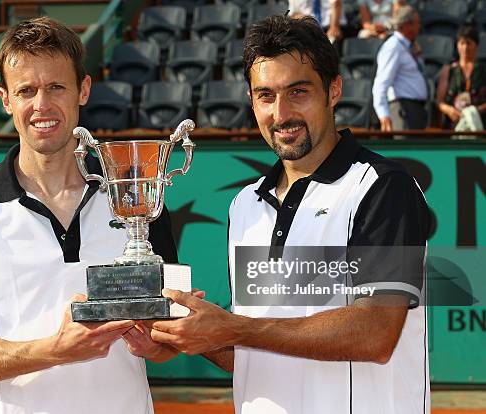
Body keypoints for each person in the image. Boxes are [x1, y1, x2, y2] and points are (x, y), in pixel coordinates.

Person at [150, 14, 430, 414]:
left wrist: (232, 327)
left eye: (297, 92)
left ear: (334, 90)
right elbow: (255, 355)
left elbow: (376, 334)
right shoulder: (246, 204)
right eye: (265, 95)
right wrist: (187, 335)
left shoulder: (383, 187)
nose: (280, 114)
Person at [0, 17, 179, 414]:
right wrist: (55, 351)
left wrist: (159, 343)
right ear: (6, 100)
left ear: (84, 90)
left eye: (56, 87)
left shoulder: (137, 198)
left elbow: (167, 338)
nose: (41, 105)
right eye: (26, 90)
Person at [372, 5, 429, 133]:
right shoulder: (393, 47)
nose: (419, 27)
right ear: (406, 25)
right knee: (407, 151)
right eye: (416, 23)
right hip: (404, 111)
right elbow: (381, 83)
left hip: (415, 111)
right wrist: (383, 115)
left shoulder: (408, 46)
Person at [437, 24, 486, 130]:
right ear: (457, 45)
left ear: (476, 45)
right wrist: (449, 110)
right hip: (453, 126)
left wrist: (475, 111)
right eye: (462, 43)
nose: (465, 48)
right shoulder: (449, 70)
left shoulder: (483, 70)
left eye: (469, 43)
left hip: (479, 127)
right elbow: (440, 101)